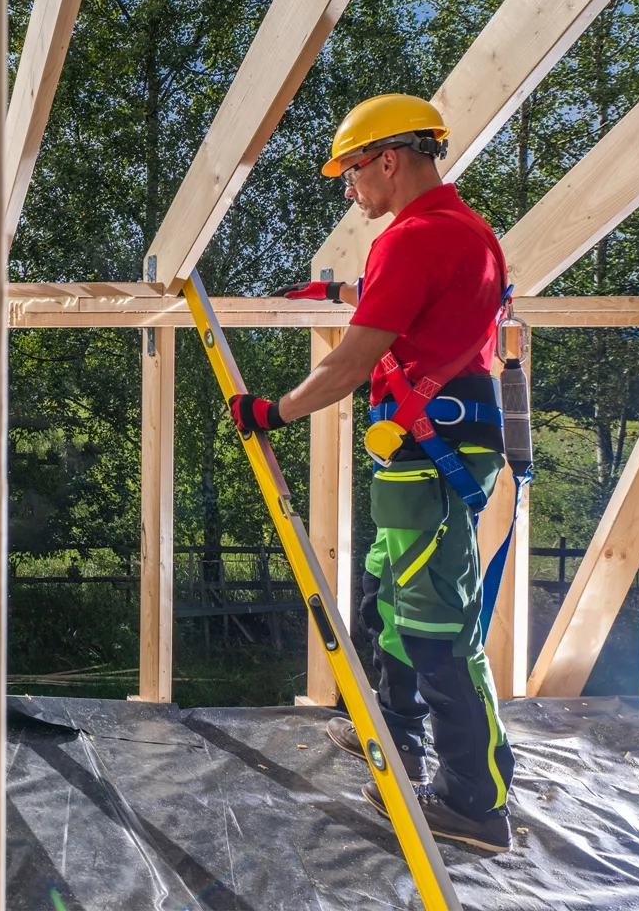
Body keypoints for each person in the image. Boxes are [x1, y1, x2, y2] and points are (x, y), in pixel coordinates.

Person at [226, 93, 515, 854]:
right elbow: (427, 316)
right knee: (389, 597)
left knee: (434, 626)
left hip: (429, 449)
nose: (350, 190)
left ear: (389, 157)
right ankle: (395, 735)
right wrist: (346, 294)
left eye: (351, 171)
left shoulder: (414, 237)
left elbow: (353, 362)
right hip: (429, 446)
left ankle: (474, 803)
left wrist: (273, 413)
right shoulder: (464, 232)